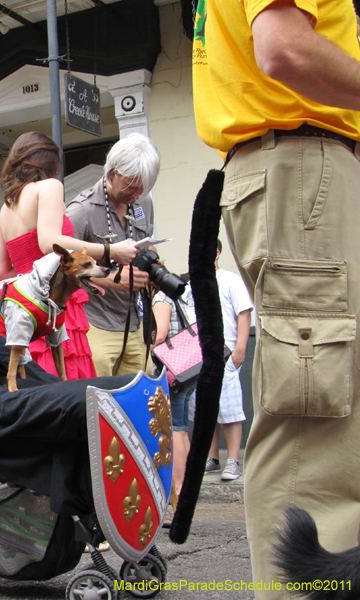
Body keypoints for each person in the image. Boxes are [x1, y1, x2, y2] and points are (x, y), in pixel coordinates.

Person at [191, 1, 360, 593]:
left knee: (325, 415)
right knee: (313, 426)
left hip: (298, 168)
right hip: (304, 166)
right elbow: (284, 47)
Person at [0, 131, 139, 380]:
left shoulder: (6, 209)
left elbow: (0, 274)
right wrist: (110, 250)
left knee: (36, 392)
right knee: (69, 391)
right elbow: (49, 242)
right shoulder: (49, 187)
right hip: (56, 306)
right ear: (51, 163)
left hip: (24, 311)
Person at [66, 133, 161, 377]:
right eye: (131, 186)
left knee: (144, 402)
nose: (137, 194)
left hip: (136, 324)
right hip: (95, 325)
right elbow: (61, 268)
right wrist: (113, 280)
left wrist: (152, 265)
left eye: (143, 187)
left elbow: (145, 246)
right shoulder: (81, 210)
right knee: (98, 403)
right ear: (112, 174)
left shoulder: (144, 204)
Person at [200, 241, 253, 482]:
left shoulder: (231, 280)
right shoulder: (194, 282)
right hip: (199, 356)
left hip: (227, 353)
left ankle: (233, 460)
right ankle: (212, 458)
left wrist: (240, 349)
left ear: (217, 252)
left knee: (230, 409)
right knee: (206, 409)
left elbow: (244, 313)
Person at [152, 273, 195, 523]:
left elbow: (160, 335)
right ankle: (185, 492)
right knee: (182, 429)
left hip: (173, 371)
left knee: (175, 430)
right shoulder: (183, 295)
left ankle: (178, 495)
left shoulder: (161, 298)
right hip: (190, 369)